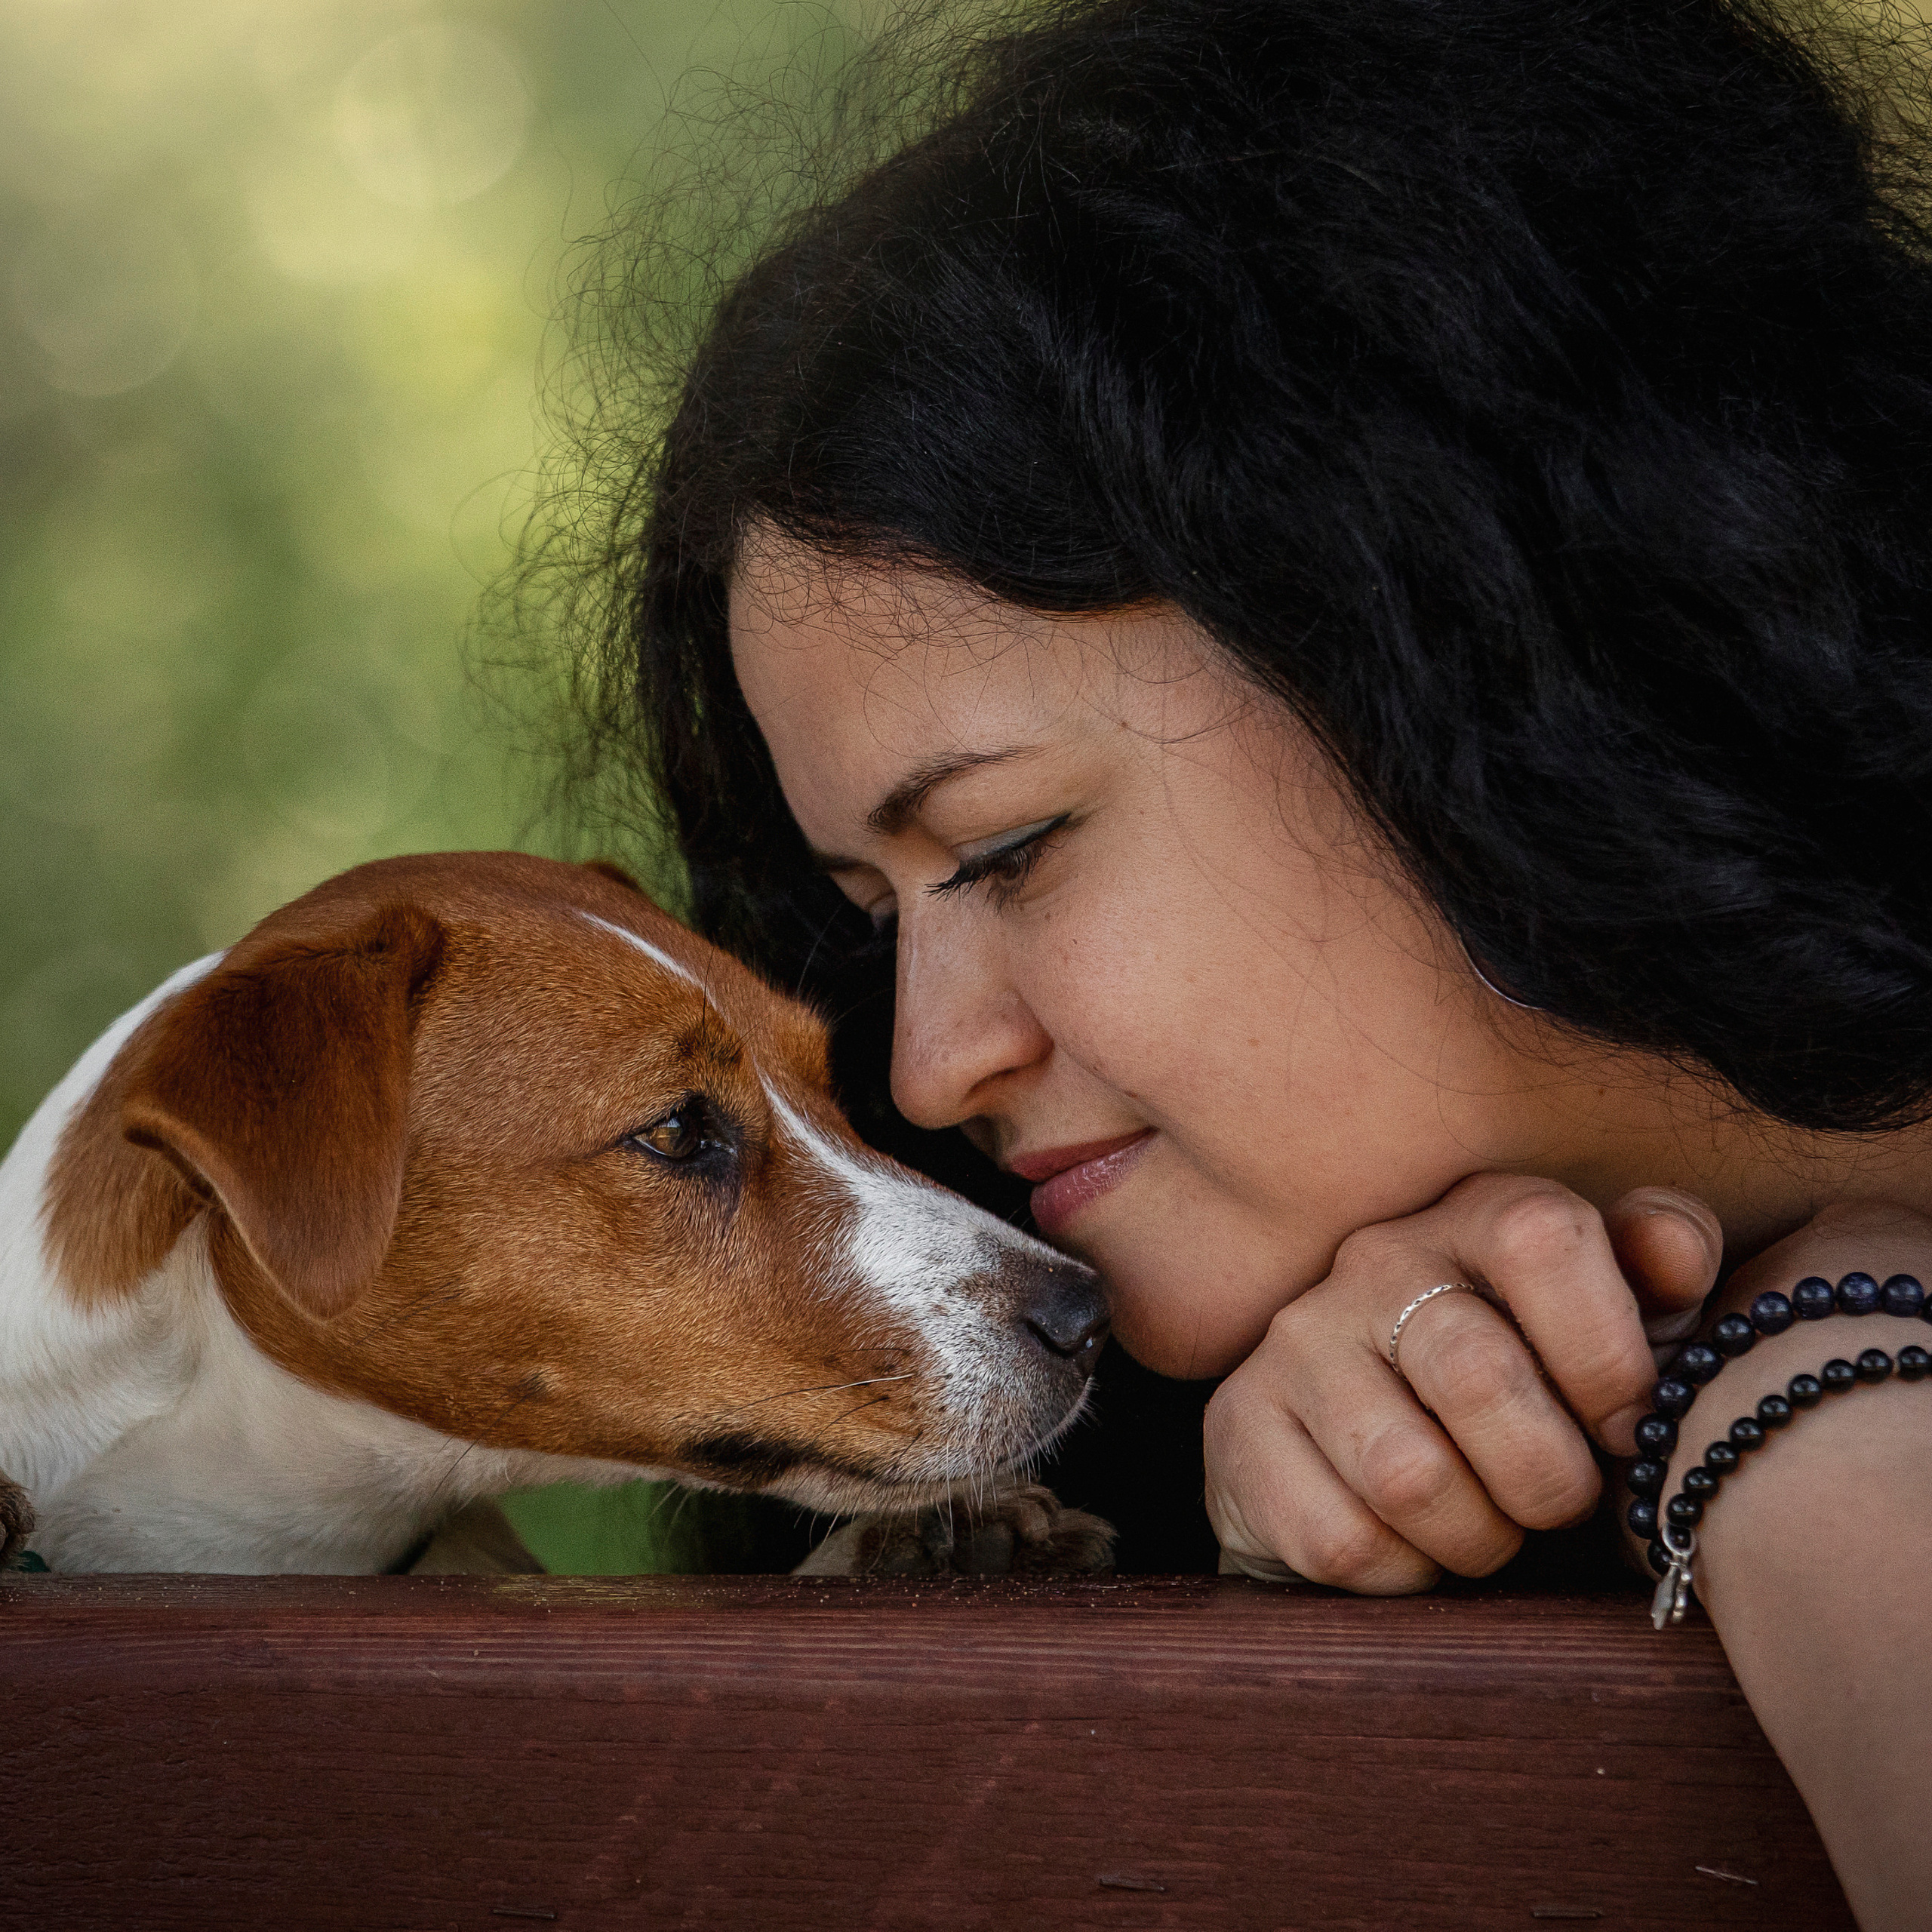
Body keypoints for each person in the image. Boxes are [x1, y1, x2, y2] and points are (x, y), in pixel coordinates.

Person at [553, 0, 1932, 1918]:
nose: (928, 1064)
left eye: (1005, 848)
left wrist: (1822, 1404)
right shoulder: (1351, 1416)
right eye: (874, 920)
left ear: (1458, 630)